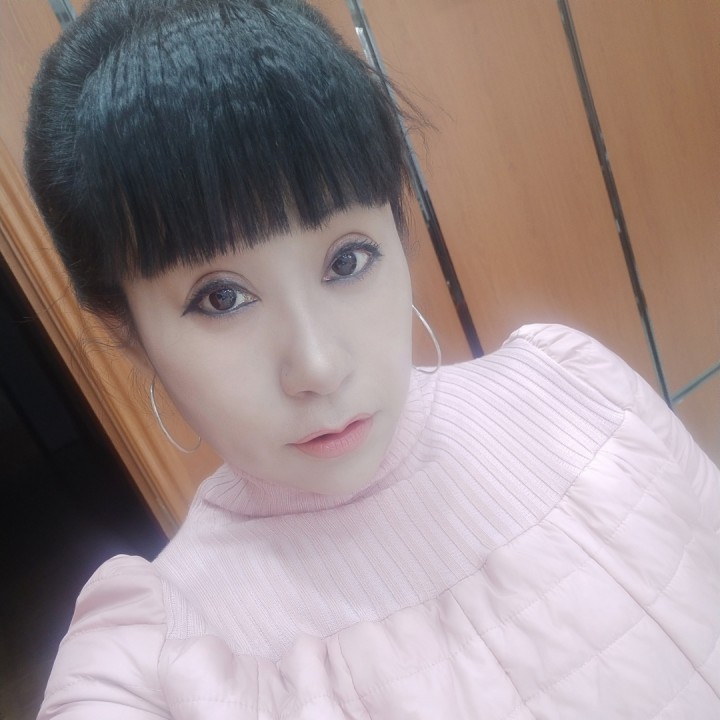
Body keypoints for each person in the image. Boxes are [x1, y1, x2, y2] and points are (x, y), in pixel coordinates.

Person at [25, 0, 719, 717]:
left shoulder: (573, 388)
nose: (319, 367)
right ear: (128, 328)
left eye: (348, 259)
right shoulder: (156, 659)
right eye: (222, 298)